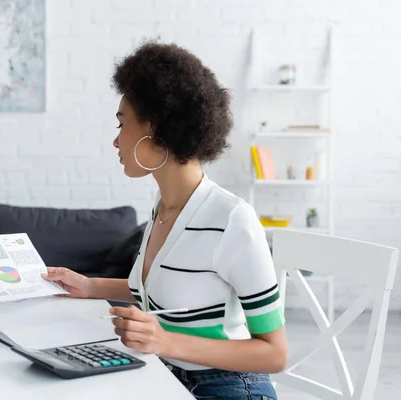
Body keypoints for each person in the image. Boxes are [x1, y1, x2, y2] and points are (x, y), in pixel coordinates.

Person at [43, 40, 287, 399]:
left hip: (228, 387)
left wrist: (167, 341)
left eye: (121, 124)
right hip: (165, 376)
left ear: (155, 129)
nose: (115, 141)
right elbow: (170, 293)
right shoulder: (166, 207)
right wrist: (91, 287)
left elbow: (275, 353)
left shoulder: (232, 219)